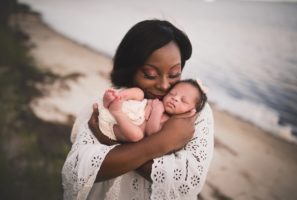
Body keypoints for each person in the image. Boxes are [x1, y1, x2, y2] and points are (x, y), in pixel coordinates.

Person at [62, 19, 214, 200]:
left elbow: (186, 184)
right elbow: (77, 170)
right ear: (130, 69)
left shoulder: (195, 112)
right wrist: (163, 142)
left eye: (174, 74)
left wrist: (111, 144)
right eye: (150, 75)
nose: (164, 86)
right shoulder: (110, 103)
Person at [99, 79, 207, 142]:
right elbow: (141, 100)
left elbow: (152, 132)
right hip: (127, 106)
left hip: (121, 125)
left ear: (190, 111)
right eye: (172, 94)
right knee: (139, 93)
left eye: (183, 100)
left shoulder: (170, 122)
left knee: (137, 136)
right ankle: (117, 97)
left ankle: (116, 111)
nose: (175, 98)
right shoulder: (158, 101)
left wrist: (156, 111)